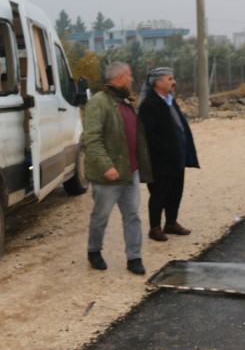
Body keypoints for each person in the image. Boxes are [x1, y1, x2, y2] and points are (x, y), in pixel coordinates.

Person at [84, 61, 153, 275]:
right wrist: (107, 167)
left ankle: (134, 257)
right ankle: (94, 251)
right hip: (109, 176)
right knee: (101, 217)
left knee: (132, 216)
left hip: (130, 172)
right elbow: (92, 139)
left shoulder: (124, 102)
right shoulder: (99, 103)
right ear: (119, 79)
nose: (132, 80)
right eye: (129, 75)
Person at [139, 67, 200, 242]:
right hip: (161, 160)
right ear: (158, 82)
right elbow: (149, 135)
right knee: (160, 193)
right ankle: (155, 228)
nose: (174, 82)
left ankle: (171, 223)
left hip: (177, 158)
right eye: (169, 79)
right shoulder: (149, 105)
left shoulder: (170, 101)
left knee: (176, 191)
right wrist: (167, 148)